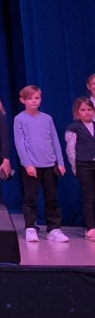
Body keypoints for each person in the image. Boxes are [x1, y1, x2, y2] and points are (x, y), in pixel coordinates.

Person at [14, 85, 68, 243]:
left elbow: (55, 140)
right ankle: (30, 228)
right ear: (23, 100)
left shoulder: (47, 118)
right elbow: (20, 143)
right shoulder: (20, 119)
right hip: (32, 166)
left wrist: (60, 162)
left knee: (52, 197)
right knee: (31, 197)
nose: (34, 101)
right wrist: (28, 164)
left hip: (50, 164)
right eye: (30, 98)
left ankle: (54, 229)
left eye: (37, 98)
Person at [64, 97, 95, 241]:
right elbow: (71, 149)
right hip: (84, 165)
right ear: (77, 112)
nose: (87, 112)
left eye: (89, 109)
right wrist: (75, 166)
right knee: (89, 196)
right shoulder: (73, 128)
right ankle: (91, 228)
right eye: (83, 110)